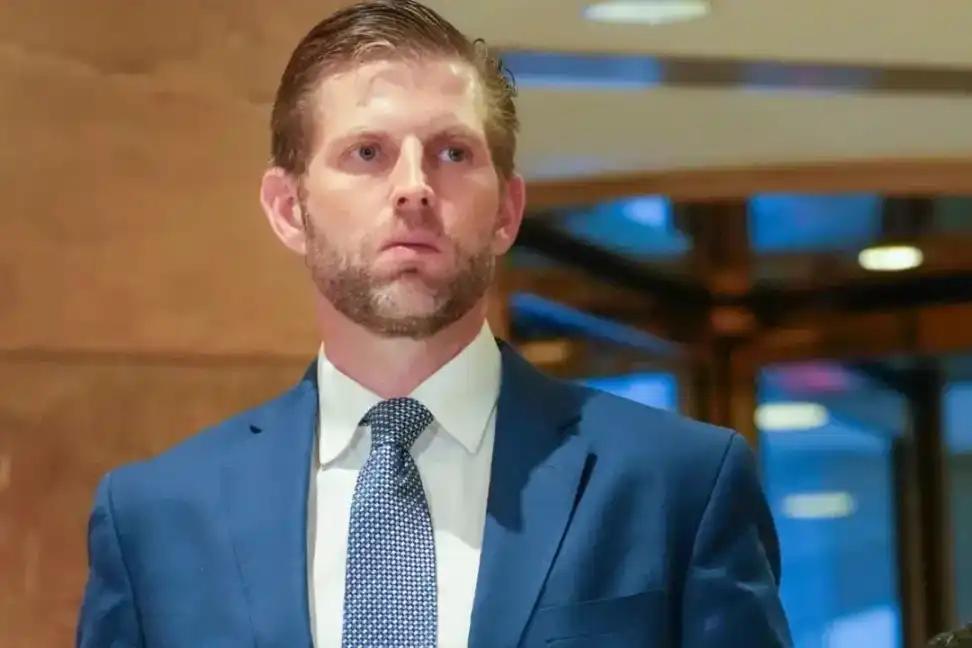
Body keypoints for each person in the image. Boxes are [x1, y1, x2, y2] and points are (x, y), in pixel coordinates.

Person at [76, 1, 792, 646]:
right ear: (289, 210)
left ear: (507, 210)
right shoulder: (155, 519)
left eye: (453, 153)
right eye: (367, 153)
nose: (414, 187)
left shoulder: (677, 484)